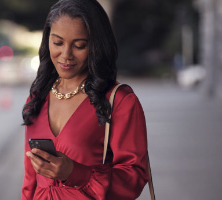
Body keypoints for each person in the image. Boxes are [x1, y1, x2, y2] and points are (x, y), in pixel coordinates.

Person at [21, 0, 150, 199]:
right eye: (57, 43)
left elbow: (135, 177)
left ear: (97, 45)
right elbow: (30, 180)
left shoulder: (120, 100)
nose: (66, 55)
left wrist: (75, 173)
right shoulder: (38, 96)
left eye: (79, 45)